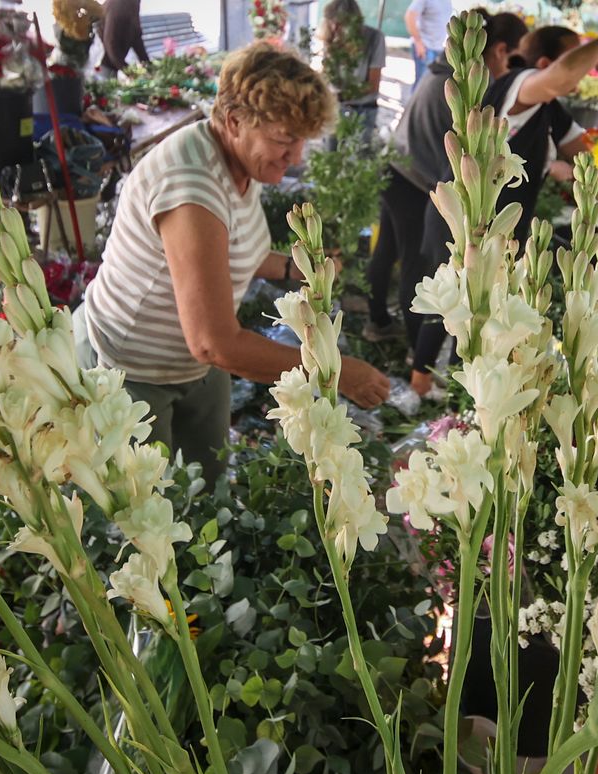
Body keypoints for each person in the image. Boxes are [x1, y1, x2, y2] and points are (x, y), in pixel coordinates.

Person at [77, 44, 391, 482]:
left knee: (206, 488)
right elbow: (213, 342)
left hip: (195, 369)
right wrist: (335, 371)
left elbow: (232, 248)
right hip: (130, 369)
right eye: (283, 140)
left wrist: (292, 268)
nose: (296, 157)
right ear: (234, 121)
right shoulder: (191, 187)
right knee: (150, 513)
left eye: (302, 140)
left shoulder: (240, 162)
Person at [408, 23, 598, 396]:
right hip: (463, 218)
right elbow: (559, 78)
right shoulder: (522, 84)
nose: (582, 74)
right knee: (451, 302)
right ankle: (418, 389)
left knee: (481, 314)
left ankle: (462, 400)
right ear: (544, 62)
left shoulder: (549, 108)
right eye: (575, 56)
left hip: (495, 227)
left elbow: (584, 152)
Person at [361, 11, 527, 345]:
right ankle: (412, 348)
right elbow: (464, 159)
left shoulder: (440, 73)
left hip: (394, 167)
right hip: (413, 181)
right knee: (414, 264)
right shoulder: (458, 91)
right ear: (497, 50)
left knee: (387, 250)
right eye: (513, 59)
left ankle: (377, 321)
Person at [321, 0, 388, 136]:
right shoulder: (332, 37)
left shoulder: (375, 38)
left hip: (363, 110)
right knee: (330, 151)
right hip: (335, 108)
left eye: (341, 23)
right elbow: (326, 74)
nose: (335, 28)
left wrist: (340, 96)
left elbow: (372, 85)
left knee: (359, 154)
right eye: (332, 22)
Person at [406, 0, 454, 85]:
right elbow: (410, 16)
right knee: (421, 85)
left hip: (439, 48)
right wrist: (418, 43)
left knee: (431, 85)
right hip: (425, 47)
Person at [99, 0, 149, 75]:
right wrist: (129, 72)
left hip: (114, 62)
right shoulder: (117, 4)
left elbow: (136, 36)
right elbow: (110, 42)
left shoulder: (133, 3)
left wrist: (148, 65)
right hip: (103, 63)